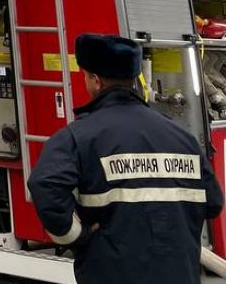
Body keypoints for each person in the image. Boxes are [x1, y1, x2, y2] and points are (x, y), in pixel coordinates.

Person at [28, 33, 224, 283]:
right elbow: (213, 203)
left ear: (96, 81)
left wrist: (78, 236)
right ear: (134, 79)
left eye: (86, 76)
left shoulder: (78, 137)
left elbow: (44, 185)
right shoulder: (182, 137)